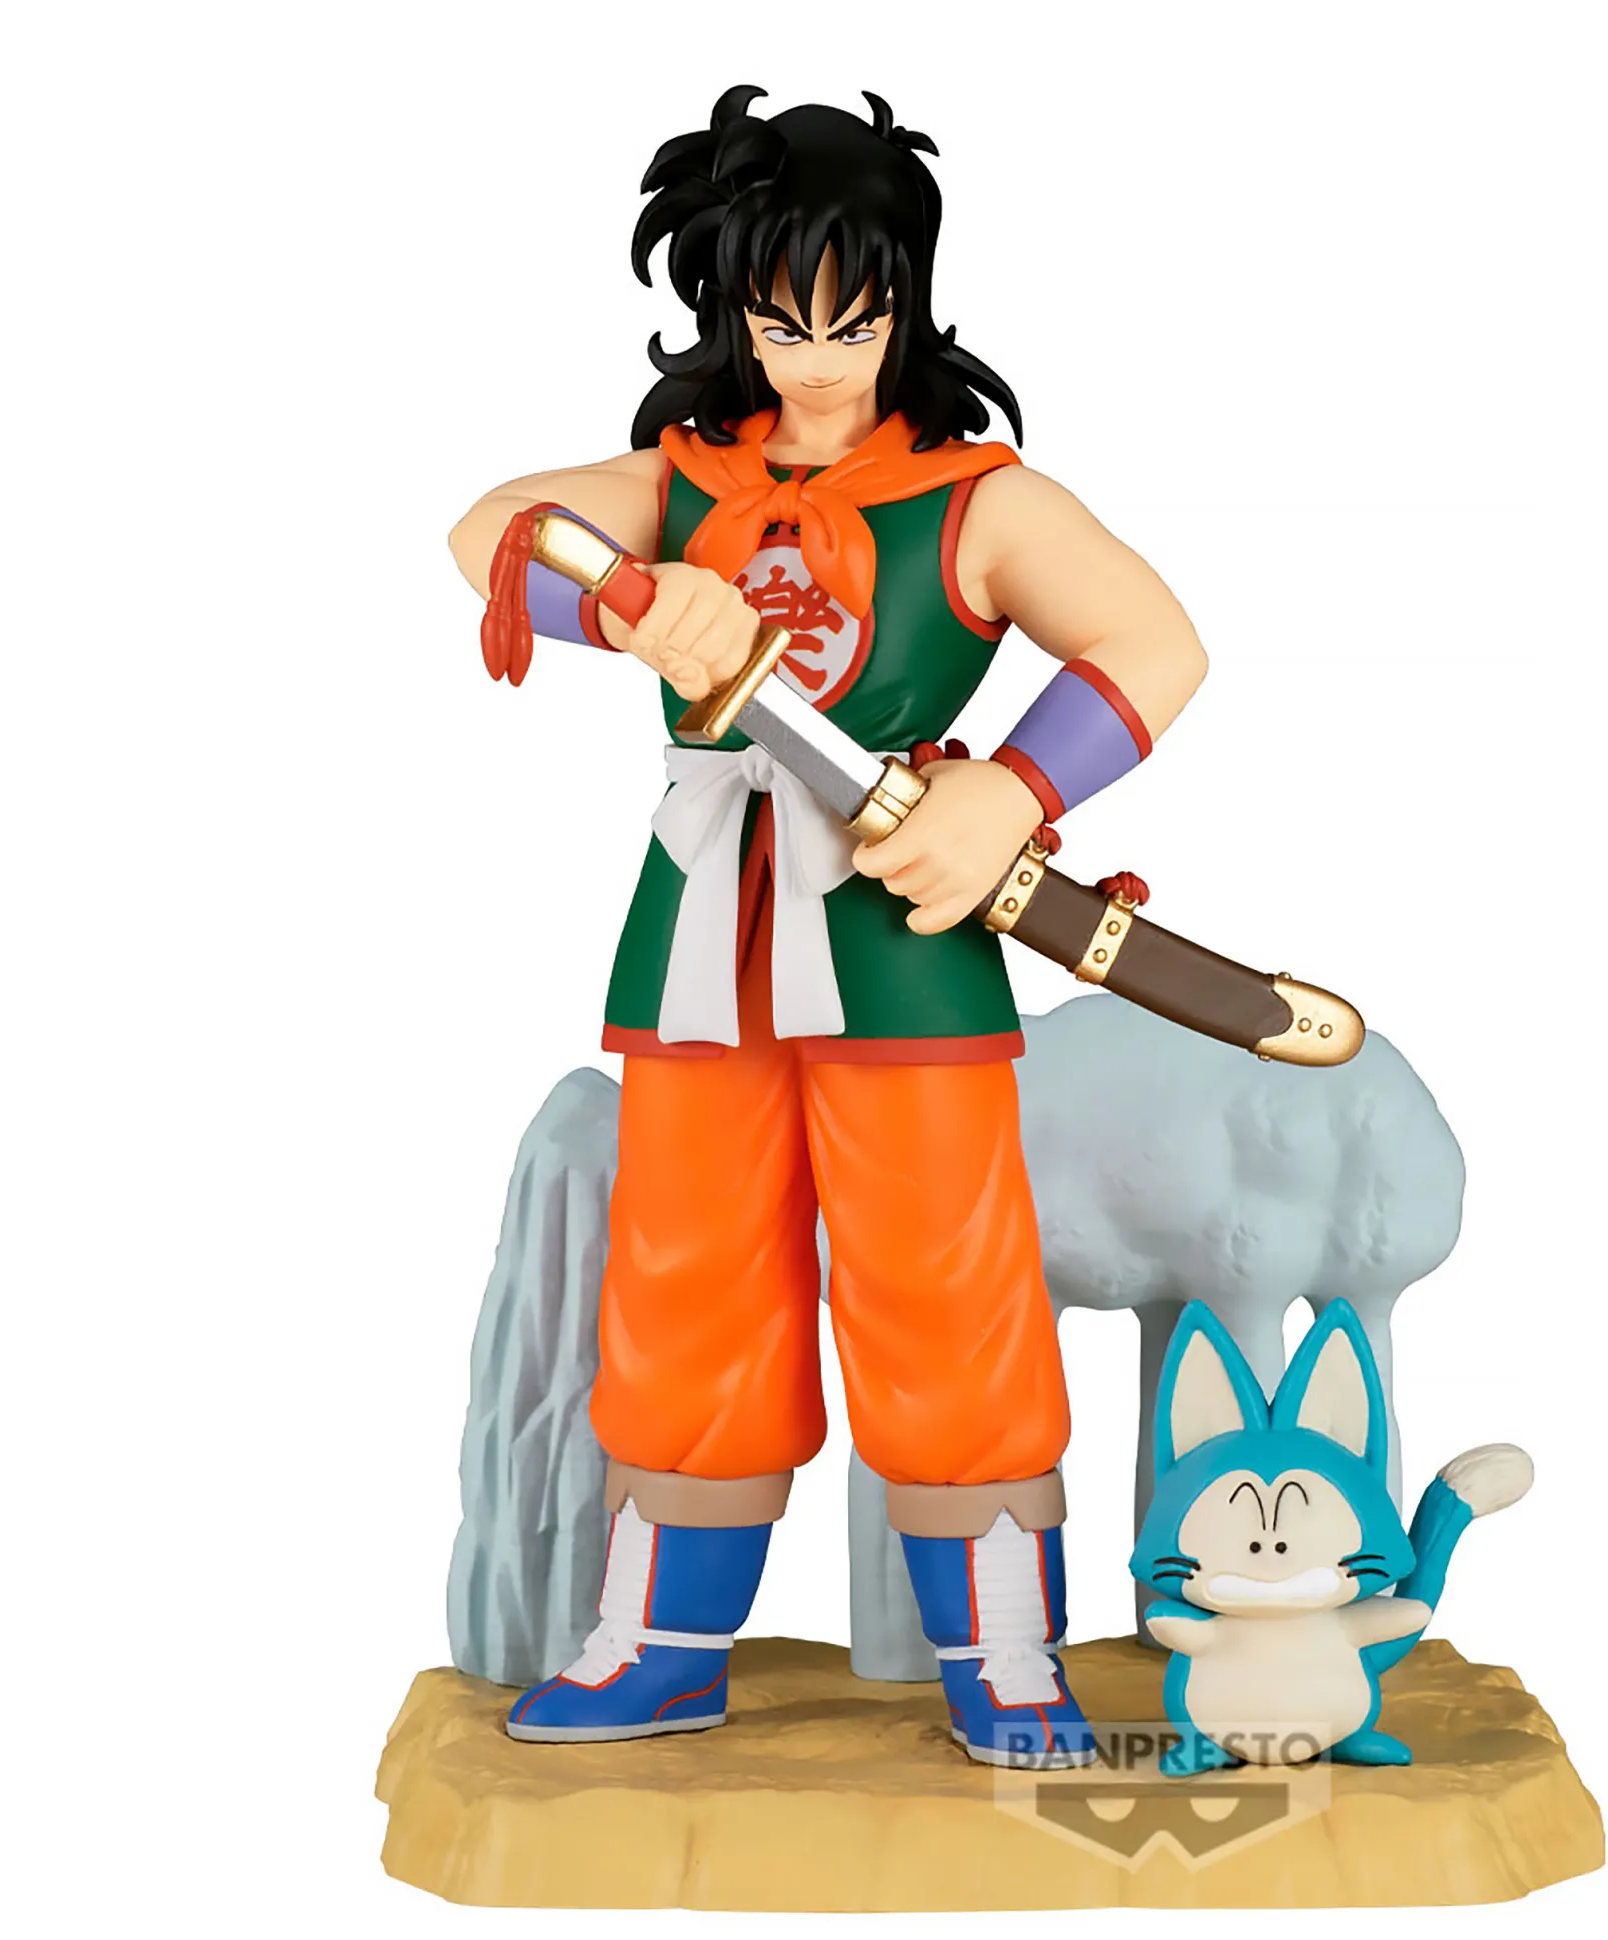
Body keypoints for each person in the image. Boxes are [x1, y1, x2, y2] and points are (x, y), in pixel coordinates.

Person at [449, 87, 1208, 1768]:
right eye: (781, 320)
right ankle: (659, 1641)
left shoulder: (976, 497)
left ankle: (1006, 1653)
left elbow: (1154, 644)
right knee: (685, 1277)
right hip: (702, 946)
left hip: (900, 938)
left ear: (905, 300)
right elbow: (488, 533)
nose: (816, 358)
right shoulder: (679, 483)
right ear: (733, 308)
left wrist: (1013, 790)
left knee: (947, 1281)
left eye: (851, 318)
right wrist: (633, 607)